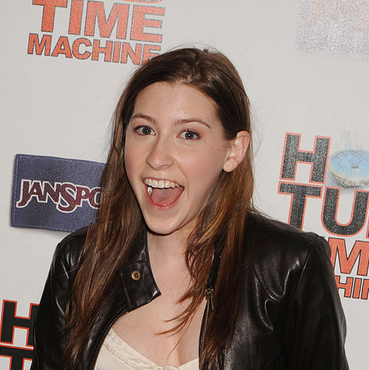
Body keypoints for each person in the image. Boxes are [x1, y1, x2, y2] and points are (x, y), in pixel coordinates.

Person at [31, 47, 348, 369]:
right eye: (145, 130)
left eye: (188, 134)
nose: (157, 157)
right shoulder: (81, 261)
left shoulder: (289, 267)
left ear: (233, 150)